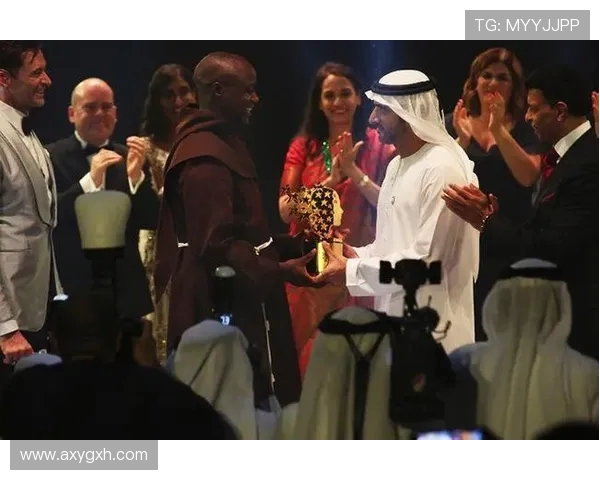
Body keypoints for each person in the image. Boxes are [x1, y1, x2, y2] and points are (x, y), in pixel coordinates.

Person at [154, 51, 319, 406]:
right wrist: (279, 270)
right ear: (218, 91)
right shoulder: (204, 156)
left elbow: (243, 232)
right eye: (247, 90)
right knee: (230, 404)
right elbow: (216, 245)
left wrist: (290, 245)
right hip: (217, 300)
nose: (255, 99)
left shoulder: (223, 143)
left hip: (238, 287)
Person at [316, 69, 479, 354]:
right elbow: (389, 245)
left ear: (408, 113)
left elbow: (428, 264)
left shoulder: (442, 168)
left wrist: (352, 270)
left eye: (382, 109)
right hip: (396, 323)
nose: (372, 118)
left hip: (437, 333)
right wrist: (354, 255)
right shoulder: (397, 164)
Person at [442, 65, 599, 360]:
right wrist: (491, 216)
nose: (527, 117)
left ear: (560, 111)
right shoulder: (570, 156)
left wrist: (486, 221)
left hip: (577, 328)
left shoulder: (590, 163)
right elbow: (545, 227)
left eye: (534, 109)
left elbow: (552, 248)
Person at [278, 62, 395, 376]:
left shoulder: (379, 146)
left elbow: (391, 205)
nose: (338, 102)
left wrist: (354, 173)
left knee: (360, 360)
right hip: (312, 268)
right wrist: (330, 180)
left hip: (359, 264)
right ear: (319, 103)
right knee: (308, 362)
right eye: (329, 95)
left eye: (345, 93)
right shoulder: (304, 148)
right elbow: (286, 209)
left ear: (358, 98)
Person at [447, 48, 544, 341]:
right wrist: (461, 142)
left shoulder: (527, 126)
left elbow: (528, 176)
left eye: (502, 77)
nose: (492, 83)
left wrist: (498, 129)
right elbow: (441, 182)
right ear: (474, 81)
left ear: (514, 86)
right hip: (464, 242)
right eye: (486, 75)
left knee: (508, 333)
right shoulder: (456, 121)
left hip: (510, 241)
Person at [46, 78, 160, 323]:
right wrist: (90, 180)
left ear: (116, 114)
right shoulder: (51, 156)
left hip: (126, 294)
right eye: (90, 107)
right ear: (72, 114)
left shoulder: (130, 157)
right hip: (74, 289)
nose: (100, 114)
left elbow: (151, 219)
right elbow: (51, 218)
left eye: (106, 107)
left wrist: (136, 179)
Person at [0, 41, 61, 378]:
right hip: (9, 325)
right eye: (36, 73)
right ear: (4, 78)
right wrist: (6, 329)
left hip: (35, 311)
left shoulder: (25, 128)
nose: (47, 80)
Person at [137, 64, 197, 364]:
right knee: (154, 331)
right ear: (158, 100)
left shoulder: (203, 141)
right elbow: (146, 205)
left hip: (195, 246)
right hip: (155, 247)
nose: (177, 102)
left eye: (184, 92)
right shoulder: (144, 148)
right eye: (169, 95)